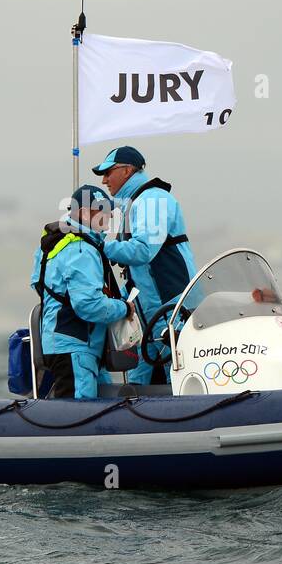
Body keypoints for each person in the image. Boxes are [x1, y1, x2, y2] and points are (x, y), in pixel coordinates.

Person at [91, 146, 196, 385]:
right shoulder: (135, 203)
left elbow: (143, 250)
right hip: (147, 309)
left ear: (127, 171)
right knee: (142, 376)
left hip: (170, 304)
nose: (104, 180)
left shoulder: (153, 199)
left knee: (177, 371)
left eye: (108, 172)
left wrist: (98, 246)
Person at [29, 185, 131, 399]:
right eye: (105, 212)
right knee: (78, 418)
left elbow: (37, 284)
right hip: (75, 348)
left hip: (59, 343)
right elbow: (88, 305)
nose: (109, 217)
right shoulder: (82, 249)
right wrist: (123, 308)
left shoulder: (54, 242)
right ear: (87, 212)